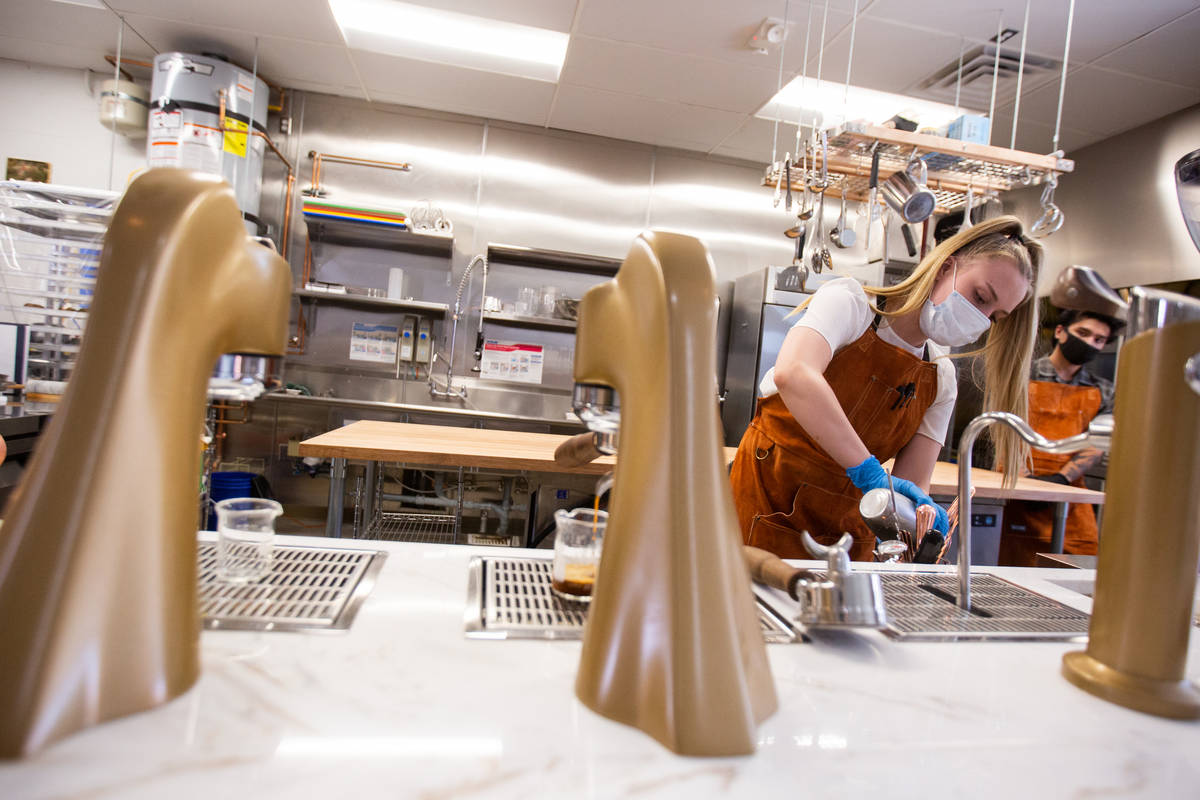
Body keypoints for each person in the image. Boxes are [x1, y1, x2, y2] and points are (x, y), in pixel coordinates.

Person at [730, 216, 1043, 561]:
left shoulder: (941, 379)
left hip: (849, 545)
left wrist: (921, 520)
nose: (980, 319)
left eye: (994, 317)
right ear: (946, 267)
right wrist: (870, 473)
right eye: (980, 296)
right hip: (761, 517)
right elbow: (795, 373)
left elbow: (908, 488)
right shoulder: (850, 304)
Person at [998, 306, 1120, 566]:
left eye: (1098, 340)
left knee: (1079, 560)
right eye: (1083, 333)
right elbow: (1004, 431)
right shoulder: (1021, 375)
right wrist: (1028, 486)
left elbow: (1099, 443)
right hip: (1015, 486)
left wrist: (1061, 479)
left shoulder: (1104, 390)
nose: (1089, 343)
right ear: (1061, 332)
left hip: (1068, 489)